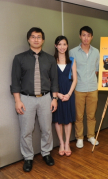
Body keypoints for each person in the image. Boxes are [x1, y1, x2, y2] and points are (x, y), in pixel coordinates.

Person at [10, 27, 59, 172]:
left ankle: (46, 153)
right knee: (26, 130)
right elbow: (15, 81)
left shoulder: (50, 59)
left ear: (43, 40)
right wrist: (17, 101)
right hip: (26, 99)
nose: (36, 39)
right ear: (28, 39)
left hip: (45, 98)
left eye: (39, 37)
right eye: (33, 37)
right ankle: (28, 157)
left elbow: (54, 81)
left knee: (46, 129)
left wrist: (54, 98)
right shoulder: (19, 58)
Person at [69, 26, 99, 148]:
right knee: (79, 115)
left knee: (91, 115)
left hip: (93, 88)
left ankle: (91, 136)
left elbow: (96, 70)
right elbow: (71, 71)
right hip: (78, 88)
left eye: (88, 35)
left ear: (92, 37)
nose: (86, 38)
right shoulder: (73, 52)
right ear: (80, 36)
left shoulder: (96, 52)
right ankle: (79, 138)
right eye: (83, 35)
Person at [52, 36, 77, 157]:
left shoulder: (72, 60)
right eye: (60, 44)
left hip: (68, 93)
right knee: (58, 119)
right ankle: (61, 143)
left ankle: (67, 143)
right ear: (56, 46)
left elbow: (75, 80)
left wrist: (68, 94)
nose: (62, 47)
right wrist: (57, 94)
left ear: (67, 46)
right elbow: (49, 80)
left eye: (64, 44)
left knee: (67, 119)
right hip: (56, 93)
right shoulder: (51, 60)